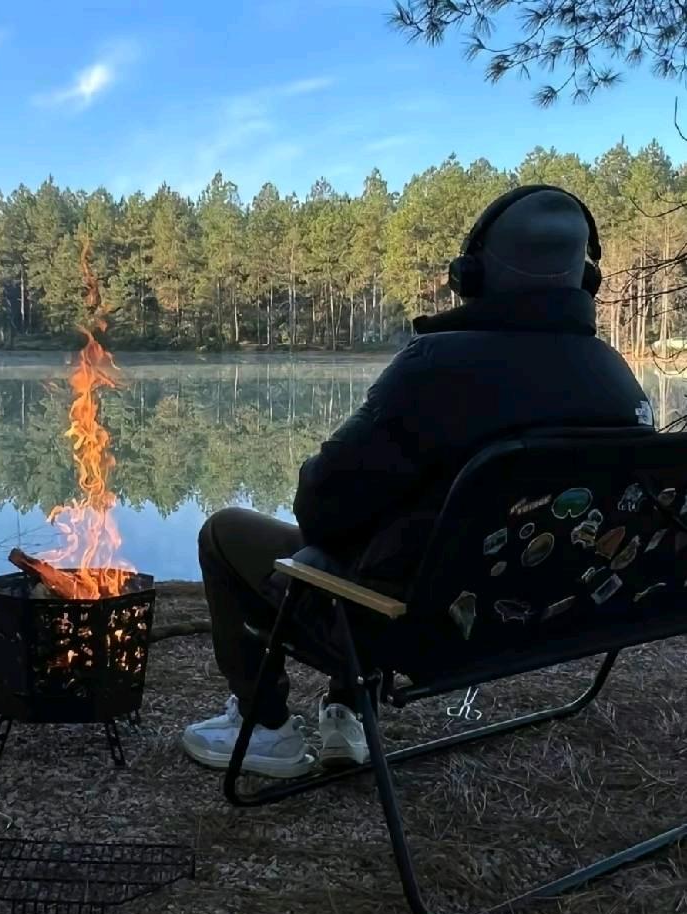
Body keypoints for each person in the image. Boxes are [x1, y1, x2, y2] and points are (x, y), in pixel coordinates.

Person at [181, 185, 655, 778]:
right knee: (397, 528)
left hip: (422, 630)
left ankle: (267, 728)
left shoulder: (435, 368)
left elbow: (320, 508)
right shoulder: (617, 377)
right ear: (584, 281)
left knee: (227, 531)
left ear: (471, 275)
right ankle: (346, 716)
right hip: (561, 616)